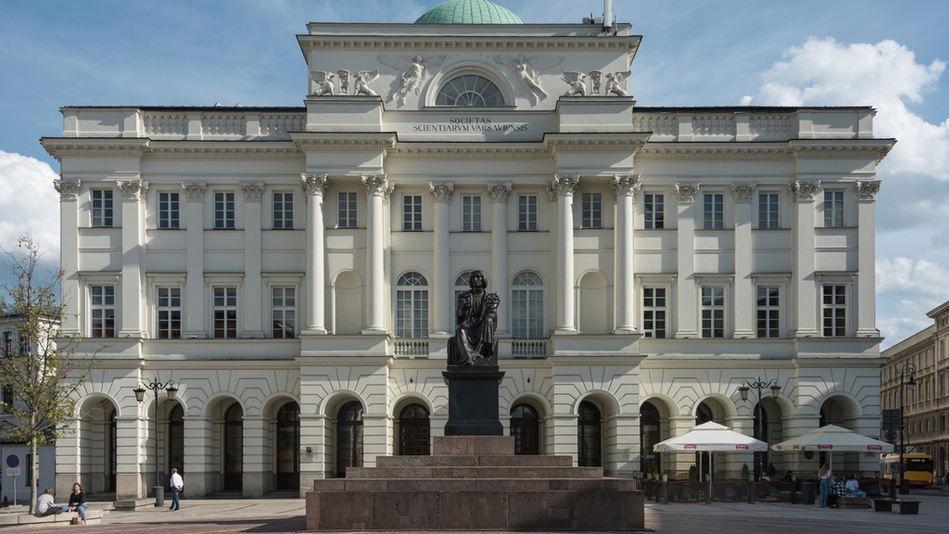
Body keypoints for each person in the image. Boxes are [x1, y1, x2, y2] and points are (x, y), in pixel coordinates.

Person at [448, 270, 499, 366]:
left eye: (478, 277)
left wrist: (488, 315)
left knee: (488, 321)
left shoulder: (489, 297)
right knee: (460, 330)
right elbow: (459, 313)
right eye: (473, 278)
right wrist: (463, 309)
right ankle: (467, 357)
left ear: (483, 279)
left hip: (482, 326)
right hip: (469, 325)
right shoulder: (464, 296)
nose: (475, 279)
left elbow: (494, 315)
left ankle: (485, 353)